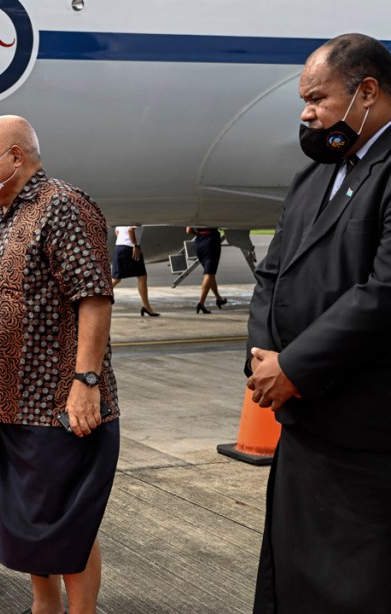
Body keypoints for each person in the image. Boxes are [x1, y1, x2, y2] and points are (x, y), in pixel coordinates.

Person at [0, 115, 120, 613]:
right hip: (10, 406)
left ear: (17, 155)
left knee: (65, 525)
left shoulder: (63, 206)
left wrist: (86, 381)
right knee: (31, 525)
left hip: (59, 405)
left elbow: (93, 297)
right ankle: (45, 607)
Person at [246, 33, 391, 613]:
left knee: (357, 584)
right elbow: (270, 273)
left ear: (368, 92)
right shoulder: (316, 175)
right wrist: (262, 360)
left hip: (364, 431)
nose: (307, 113)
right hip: (304, 422)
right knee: (296, 578)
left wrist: (296, 366)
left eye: (317, 98)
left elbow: (384, 291)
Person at [112, 225, 159, 316]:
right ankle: (146, 306)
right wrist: (135, 246)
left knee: (120, 278)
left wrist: (124, 241)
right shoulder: (136, 216)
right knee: (141, 277)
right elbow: (130, 230)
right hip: (130, 248)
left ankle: (146, 306)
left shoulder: (122, 219)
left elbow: (117, 232)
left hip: (120, 247)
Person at [184, 226, 227, 313]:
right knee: (209, 273)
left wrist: (198, 234)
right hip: (211, 241)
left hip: (199, 241)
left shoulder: (196, 215)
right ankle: (201, 303)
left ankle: (218, 298)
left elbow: (188, 230)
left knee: (210, 274)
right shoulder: (211, 214)